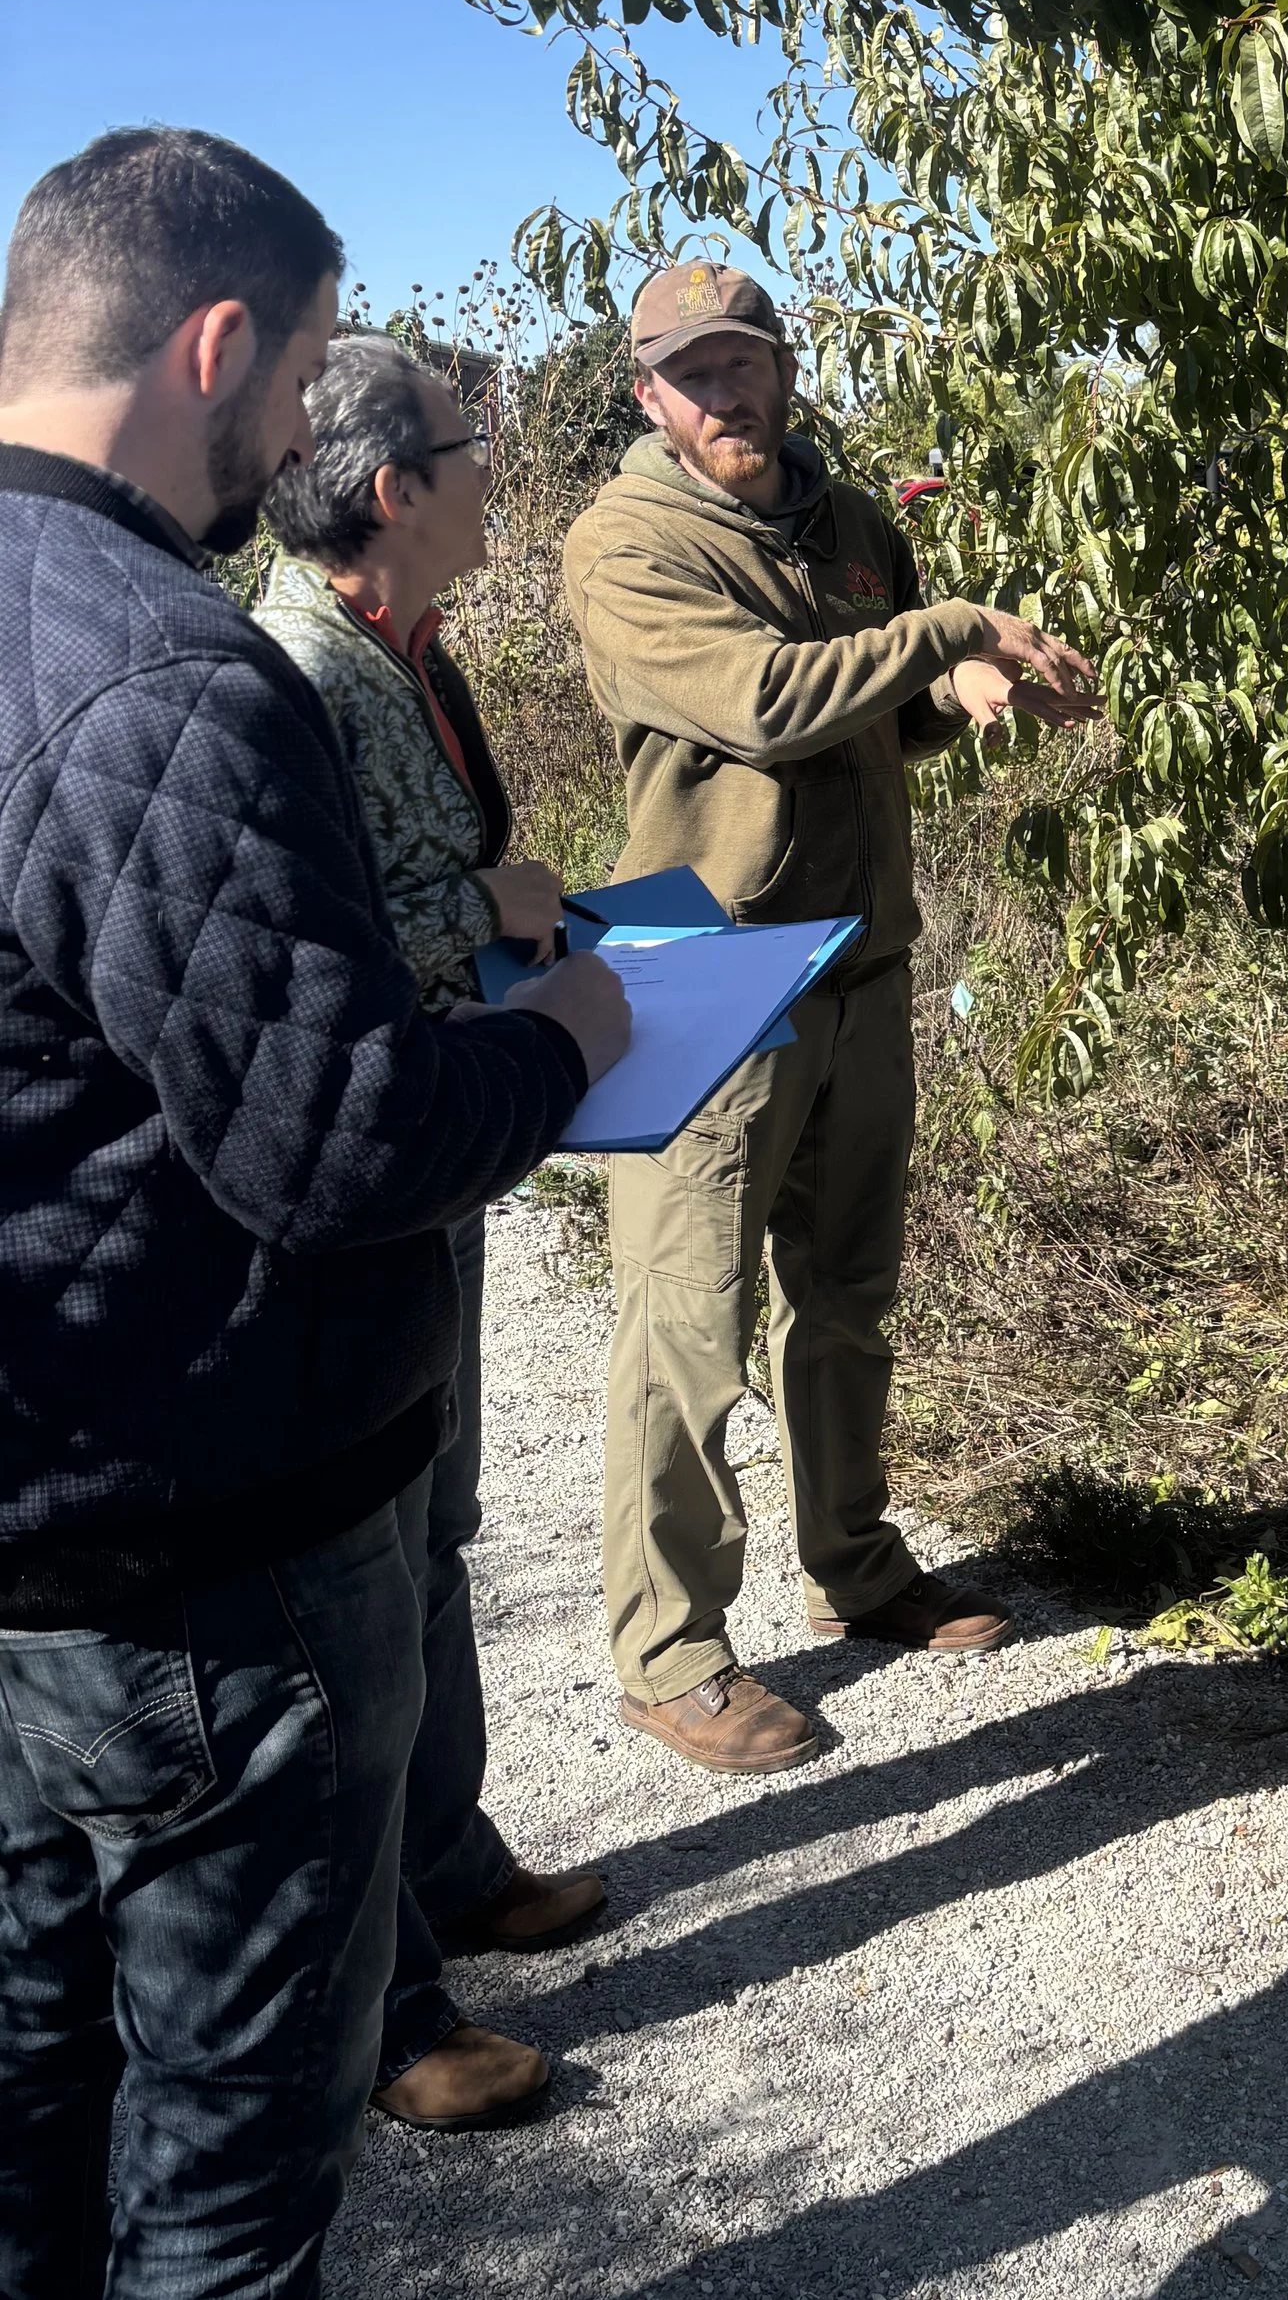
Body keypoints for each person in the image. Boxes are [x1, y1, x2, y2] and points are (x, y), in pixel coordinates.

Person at [0, 129, 629, 2295]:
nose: (292, 451)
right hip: (210, 1551)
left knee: (37, 2099)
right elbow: (338, 1138)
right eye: (287, 402)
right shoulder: (169, 669)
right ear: (212, 340)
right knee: (228, 2170)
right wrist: (568, 1035)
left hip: (39, 1529)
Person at [563, 261, 1100, 1772]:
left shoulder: (850, 518)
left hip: (859, 957)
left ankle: (854, 1570)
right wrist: (946, 629)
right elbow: (758, 702)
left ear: (784, 370)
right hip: (694, 963)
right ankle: (669, 1651)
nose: (728, 397)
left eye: (747, 365)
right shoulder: (624, 543)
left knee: (847, 1291)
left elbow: (877, 710)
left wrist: (964, 688)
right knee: (686, 1326)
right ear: (650, 398)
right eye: (695, 376)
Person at [257, 335, 608, 2135]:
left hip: (442, 1164)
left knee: (444, 1533)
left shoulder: (404, 647)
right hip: (372, 1176)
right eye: (475, 451)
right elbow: (321, 951)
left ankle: (456, 1865)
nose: (499, 475)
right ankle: (392, 2010)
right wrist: (493, 902)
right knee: (370, 1584)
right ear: (397, 487)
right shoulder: (288, 671)